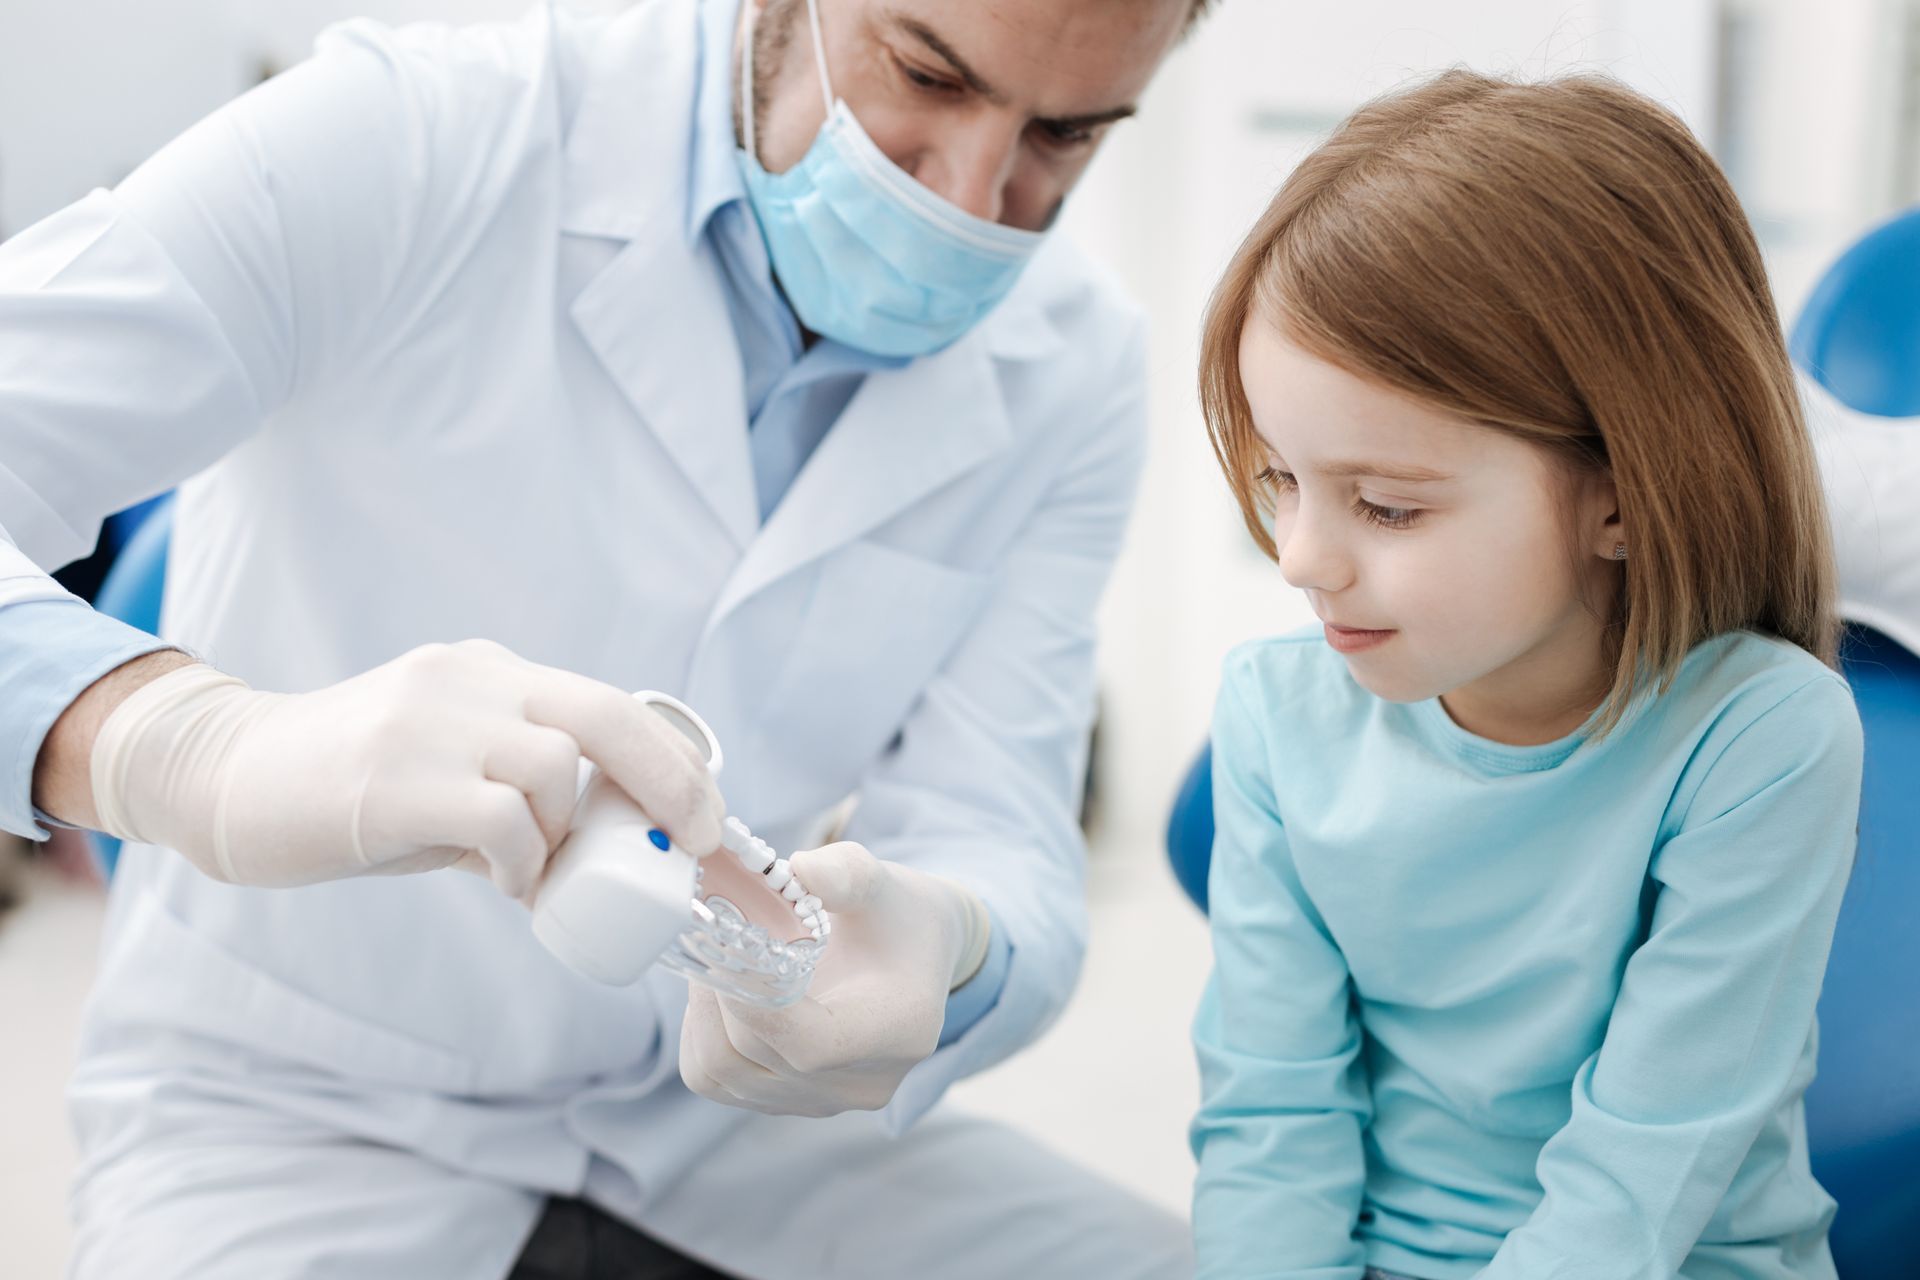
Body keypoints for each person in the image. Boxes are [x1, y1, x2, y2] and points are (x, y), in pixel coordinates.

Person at [0, 0, 1207, 1275]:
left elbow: (1002, 823)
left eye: (1064, 136)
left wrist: (950, 942)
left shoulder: (1077, 359)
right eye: (923, 73)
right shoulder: (418, 128)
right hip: (290, 1110)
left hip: (719, 1117)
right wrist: (184, 750)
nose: (968, 198)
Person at [1189, 71, 1862, 1279]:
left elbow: (1640, 1181)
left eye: (1387, 506)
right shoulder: (1274, 717)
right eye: (1280, 478)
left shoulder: (1763, 734)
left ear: (1620, 492)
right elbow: (1272, 1126)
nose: (1298, 560)